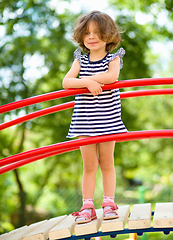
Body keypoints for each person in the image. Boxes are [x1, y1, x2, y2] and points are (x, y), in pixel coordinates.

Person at [63, 10, 128, 224]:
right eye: (87, 33)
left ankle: (109, 202)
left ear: (108, 35)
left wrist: (87, 79)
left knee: (106, 162)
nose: (91, 37)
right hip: (84, 121)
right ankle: (87, 206)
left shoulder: (113, 59)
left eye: (97, 32)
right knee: (89, 165)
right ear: (81, 36)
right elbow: (67, 82)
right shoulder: (80, 61)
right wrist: (88, 82)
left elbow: (112, 77)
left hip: (108, 120)